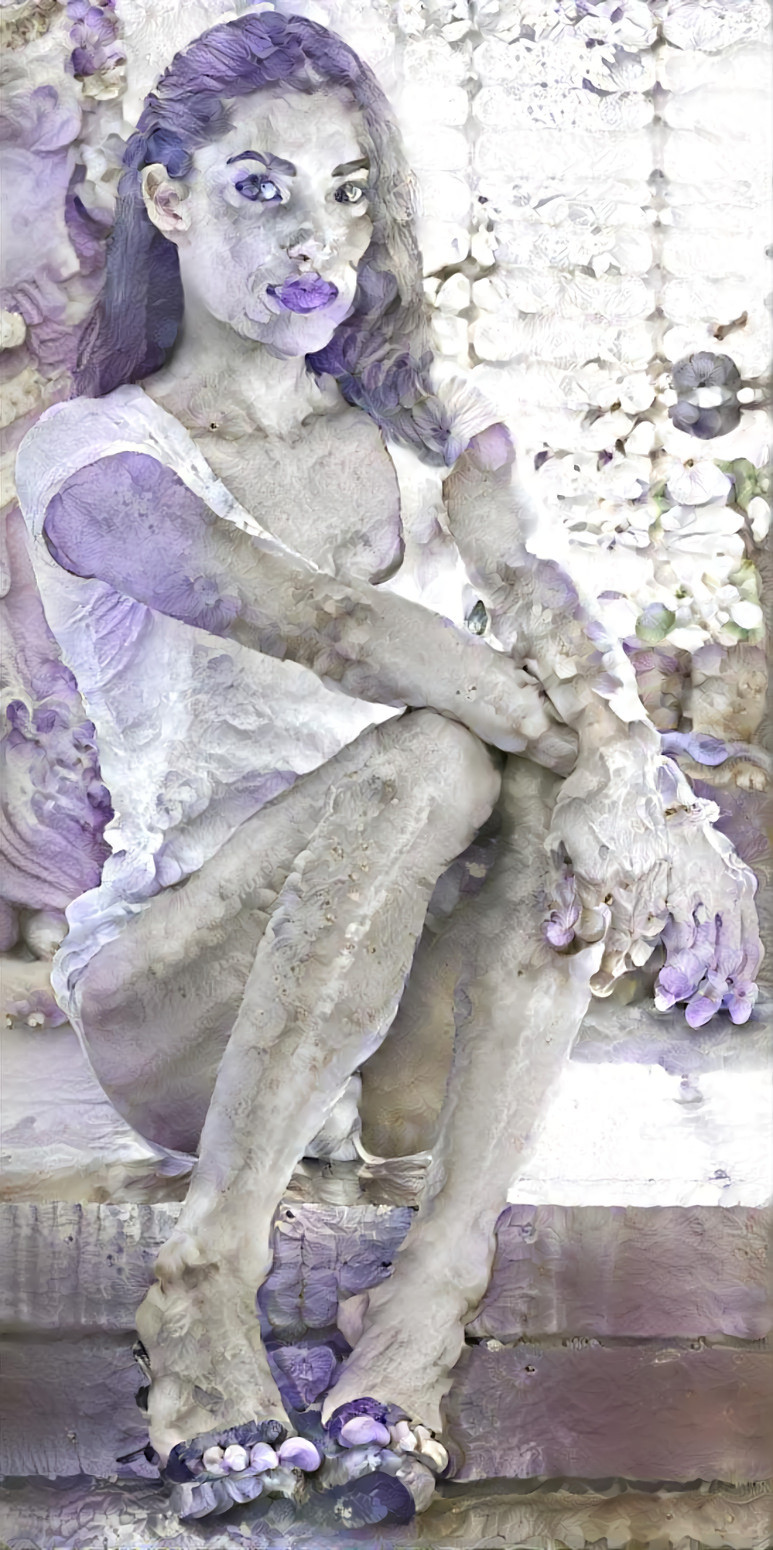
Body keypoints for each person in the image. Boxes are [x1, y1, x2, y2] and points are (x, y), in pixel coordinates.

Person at [15, 11, 761, 1525]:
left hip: (395, 1041)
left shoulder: (432, 425)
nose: (319, 232)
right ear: (167, 199)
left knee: (536, 780)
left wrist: (631, 781)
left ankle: (427, 1296)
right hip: (181, 1008)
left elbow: (549, 599)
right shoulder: (93, 455)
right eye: (262, 186)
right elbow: (330, 625)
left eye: (349, 190)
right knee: (443, 746)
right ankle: (206, 1274)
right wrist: (611, 765)